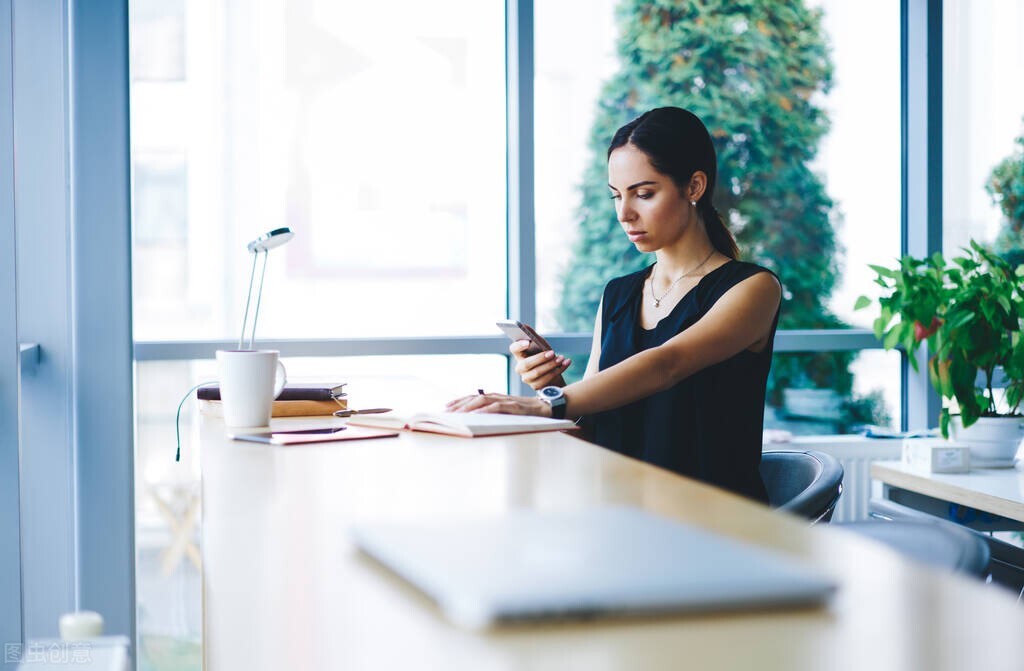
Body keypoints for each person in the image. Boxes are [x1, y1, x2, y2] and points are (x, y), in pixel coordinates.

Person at [447, 107, 781, 503]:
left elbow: (667, 364)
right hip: (621, 515)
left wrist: (543, 404)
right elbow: (594, 431)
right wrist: (552, 386)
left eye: (644, 194)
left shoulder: (753, 288)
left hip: (713, 525)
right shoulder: (619, 294)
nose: (624, 213)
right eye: (616, 196)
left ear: (694, 186)